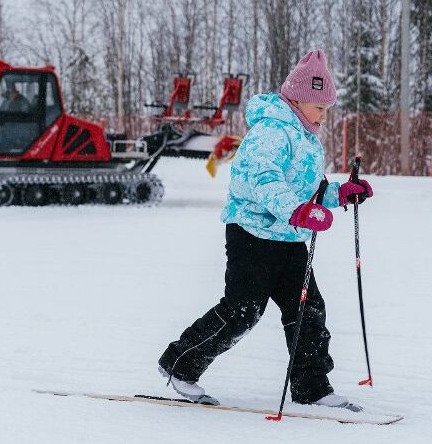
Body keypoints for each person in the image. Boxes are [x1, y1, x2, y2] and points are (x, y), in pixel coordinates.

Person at [157, 50, 374, 411]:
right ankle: (180, 364)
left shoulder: (306, 138)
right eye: (319, 106)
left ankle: (311, 387)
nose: (324, 114)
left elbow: (309, 190)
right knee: (243, 310)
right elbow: (262, 181)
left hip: (288, 240)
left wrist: (340, 194)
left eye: (327, 107)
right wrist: (297, 211)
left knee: (308, 310)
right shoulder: (271, 131)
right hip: (252, 235)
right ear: (296, 98)